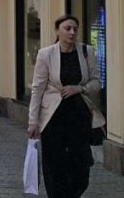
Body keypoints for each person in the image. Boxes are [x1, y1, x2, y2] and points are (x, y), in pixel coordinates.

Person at [28, 15, 103, 198]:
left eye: (75, 29)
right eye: (67, 28)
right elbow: (37, 89)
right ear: (57, 31)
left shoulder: (86, 52)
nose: (72, 32)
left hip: (79, 115)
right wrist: (33, 121)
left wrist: (81, 88)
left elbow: (96, 82)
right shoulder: (46, 54)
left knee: (81, 167)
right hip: (53, 117)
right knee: (54, 164)